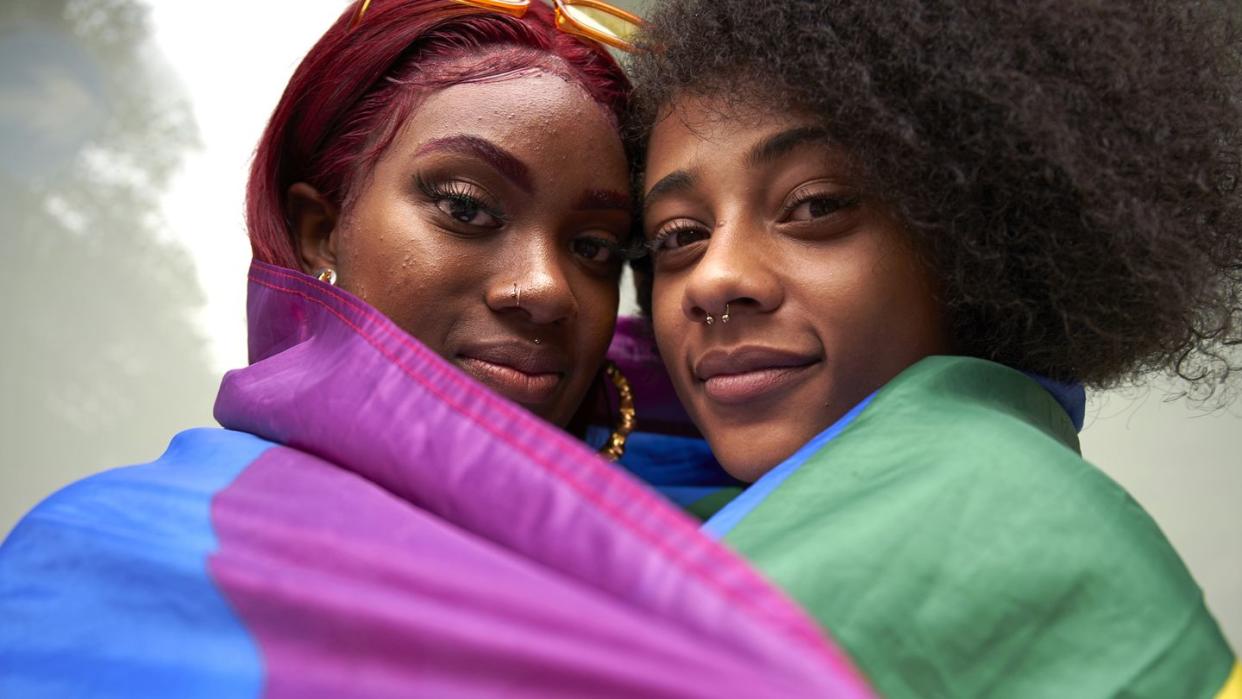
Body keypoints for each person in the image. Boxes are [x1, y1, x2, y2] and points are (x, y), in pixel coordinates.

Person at [0, 1, 872, 696]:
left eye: (596, 247)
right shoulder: (111, 557)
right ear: (315, 233)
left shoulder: (780, 477)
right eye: (465, 205)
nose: (545, 287)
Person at [627, 0, 1241, 696]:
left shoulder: (1009, 510)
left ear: (975, 236)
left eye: (817, 203)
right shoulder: (624, 508)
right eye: (677, 235)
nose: (713, 278)